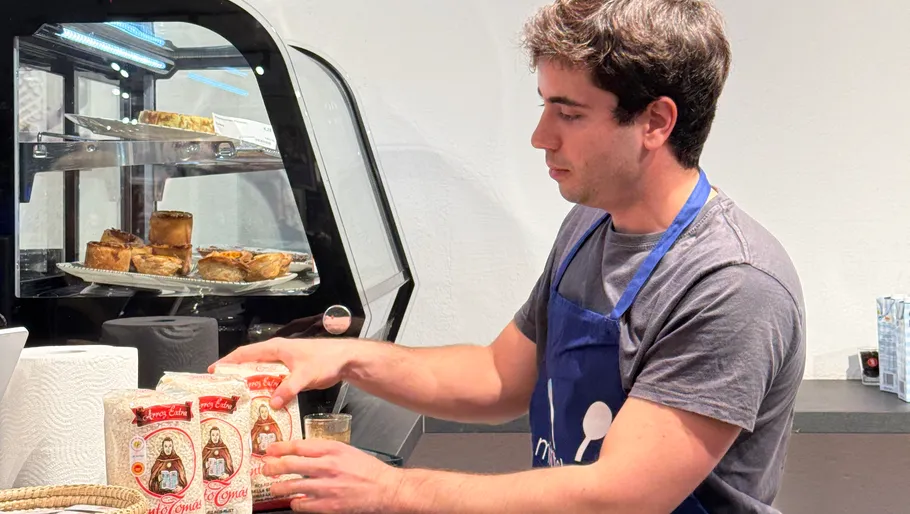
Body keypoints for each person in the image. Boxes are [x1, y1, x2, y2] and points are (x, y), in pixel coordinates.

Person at [212, 0, 806, 512]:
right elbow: (500, 375)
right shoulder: (590, 224)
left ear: (655, 121)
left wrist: (393, 490)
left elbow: (620, 497)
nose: (541, 136)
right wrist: (340, 358)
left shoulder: (732, 285)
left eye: (569, 113)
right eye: (545, 105)